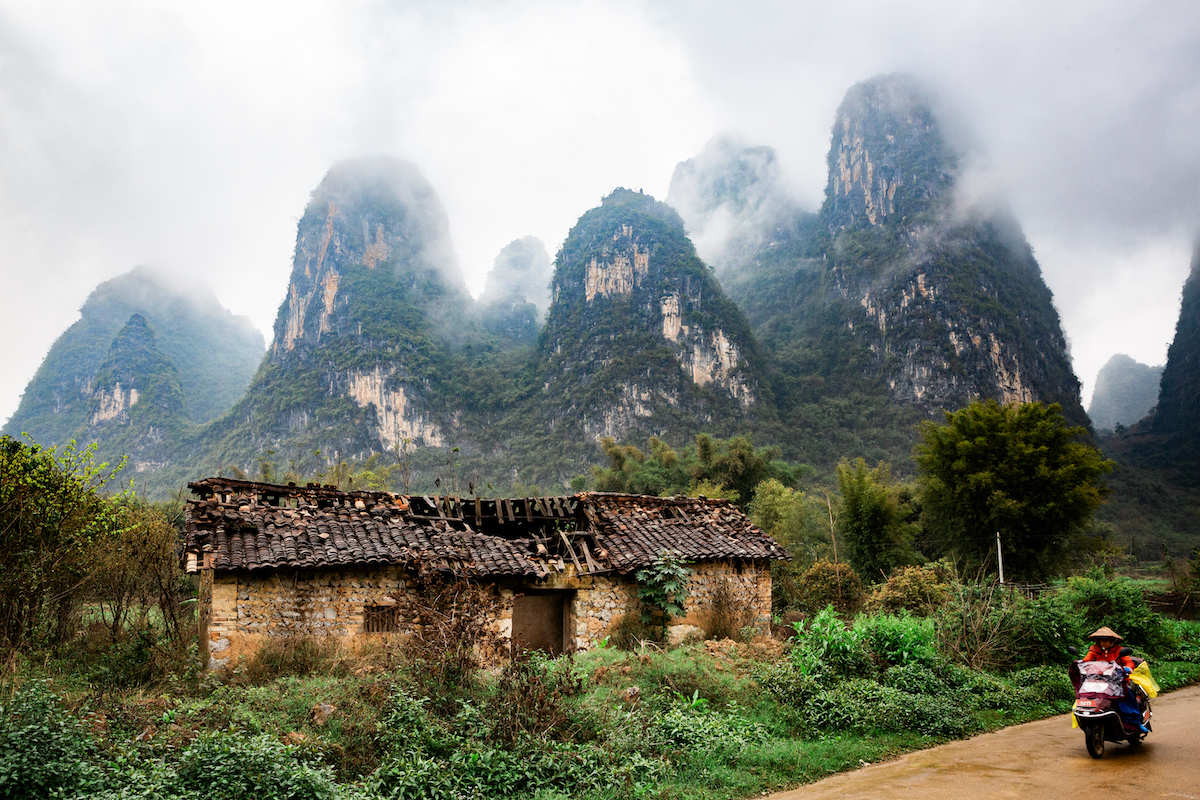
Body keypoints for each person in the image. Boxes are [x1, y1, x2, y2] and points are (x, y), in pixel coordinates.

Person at [1083, 626, 1148, 733]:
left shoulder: (1119, 650)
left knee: (1125, 694)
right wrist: (1080, 665)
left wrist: (1127, 668)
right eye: (1101, 640)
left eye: (1106, 640)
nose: (1103, 642)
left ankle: (1135, 721)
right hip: (1099, 680)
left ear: (1112, 641)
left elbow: (1129, 662)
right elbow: (1086, 660)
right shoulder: (1094, 650)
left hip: (1117, 680)